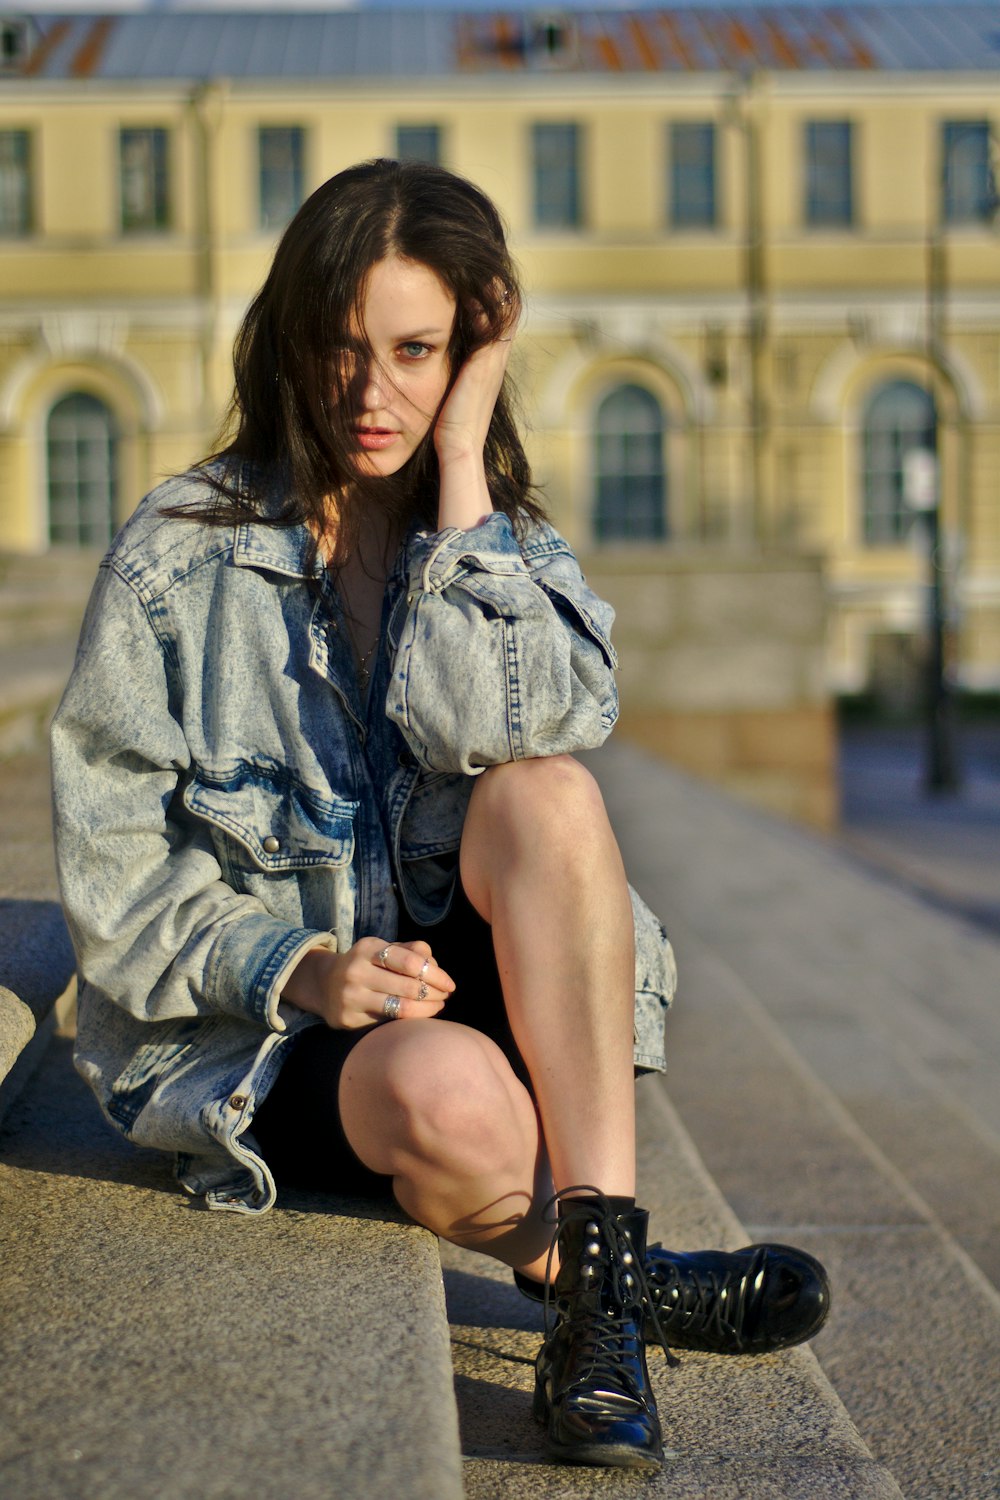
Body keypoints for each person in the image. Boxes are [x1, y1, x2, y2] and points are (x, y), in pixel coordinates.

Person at [51, 159, 829, 1472]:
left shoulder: (493, 542)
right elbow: (114, 861)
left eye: (418, 351)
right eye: (343, 348)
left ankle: (590, 1304)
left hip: (452, 981)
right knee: (448, 1099)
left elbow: (536, 724)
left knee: (549, 792)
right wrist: (294, 961)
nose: (375, 393)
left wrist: (462, 462)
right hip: (262, 1043)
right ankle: (619, 1282)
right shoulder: (179, 551)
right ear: (291, 341)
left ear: (470, 347)